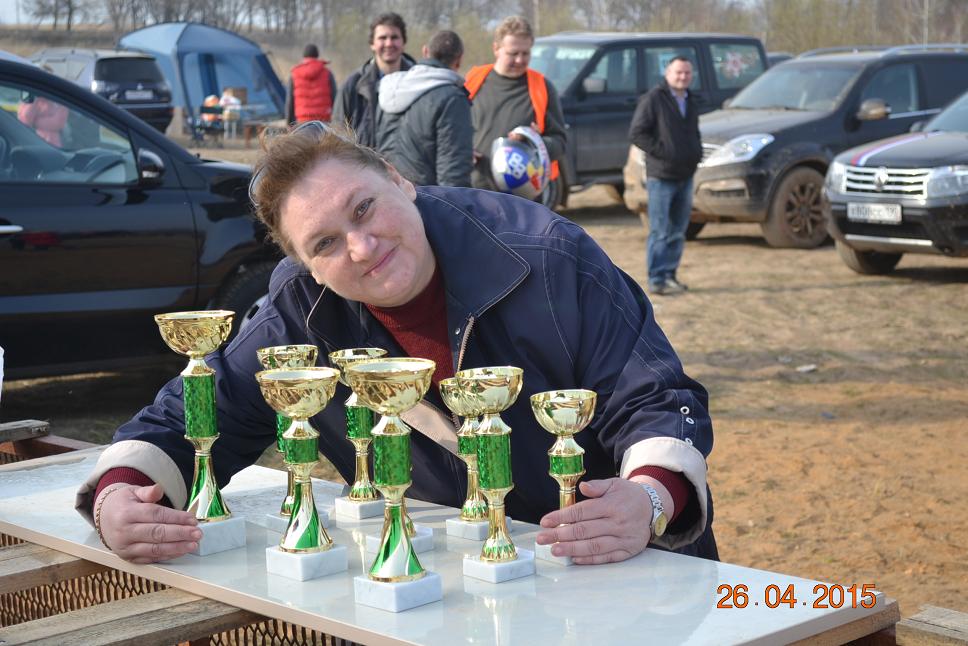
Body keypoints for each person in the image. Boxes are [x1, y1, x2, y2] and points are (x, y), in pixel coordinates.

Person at [77, 122, 717, 567]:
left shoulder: (548, 255)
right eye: (325, 244)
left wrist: (649, 498)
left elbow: (656, 398)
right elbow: (196, 413)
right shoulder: (302, 311)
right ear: (305, 265)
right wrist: (119, 497)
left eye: (362, 209)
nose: (361, 248)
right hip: (450, 588)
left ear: (398, 179)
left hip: (619, 570)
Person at [465, 16, 568, 207]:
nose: (520, 60)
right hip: (475, 191)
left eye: (525, 53)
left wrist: (534, 142)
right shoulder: (472, 82)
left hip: (523, 199)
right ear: (496, 49)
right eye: (513, 53)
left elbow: (560, 142)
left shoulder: (542, 87)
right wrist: (463, 150)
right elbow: (452, 131)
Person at [628, 56, 703, 296]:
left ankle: (670, 275)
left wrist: (696, 153)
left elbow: (693, 133)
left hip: (685, 175)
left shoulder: (690, 100)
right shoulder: (653, 99)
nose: (683, 77)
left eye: (687, 73)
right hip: (661, 177)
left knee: (678, 231)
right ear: (668, 73)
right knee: (659, 231)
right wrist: (664, 152)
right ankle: (657, 278)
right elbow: (637, 133)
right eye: (678, 72)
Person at [376, 29, 472, 187]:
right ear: (459, 60)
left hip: (387, 192)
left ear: (425, 51)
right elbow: (453, 172)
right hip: (425, 197)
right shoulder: (453, 99)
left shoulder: (390, 89)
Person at [332, 12, 415, 148]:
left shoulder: (419, 83)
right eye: (382, 38)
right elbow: (337, 136)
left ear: (403, 42)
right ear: (372, 44)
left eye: (394, 37)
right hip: (366, 161)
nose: (389, 43)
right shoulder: (352, 86)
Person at [285, 44, 337, 125]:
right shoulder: (327, 73)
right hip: (324, 122)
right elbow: (335, 97)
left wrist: (289, 123)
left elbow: (290, 101)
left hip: (302, 122)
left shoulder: (294, 75)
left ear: (304, 57)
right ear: (317, 55)